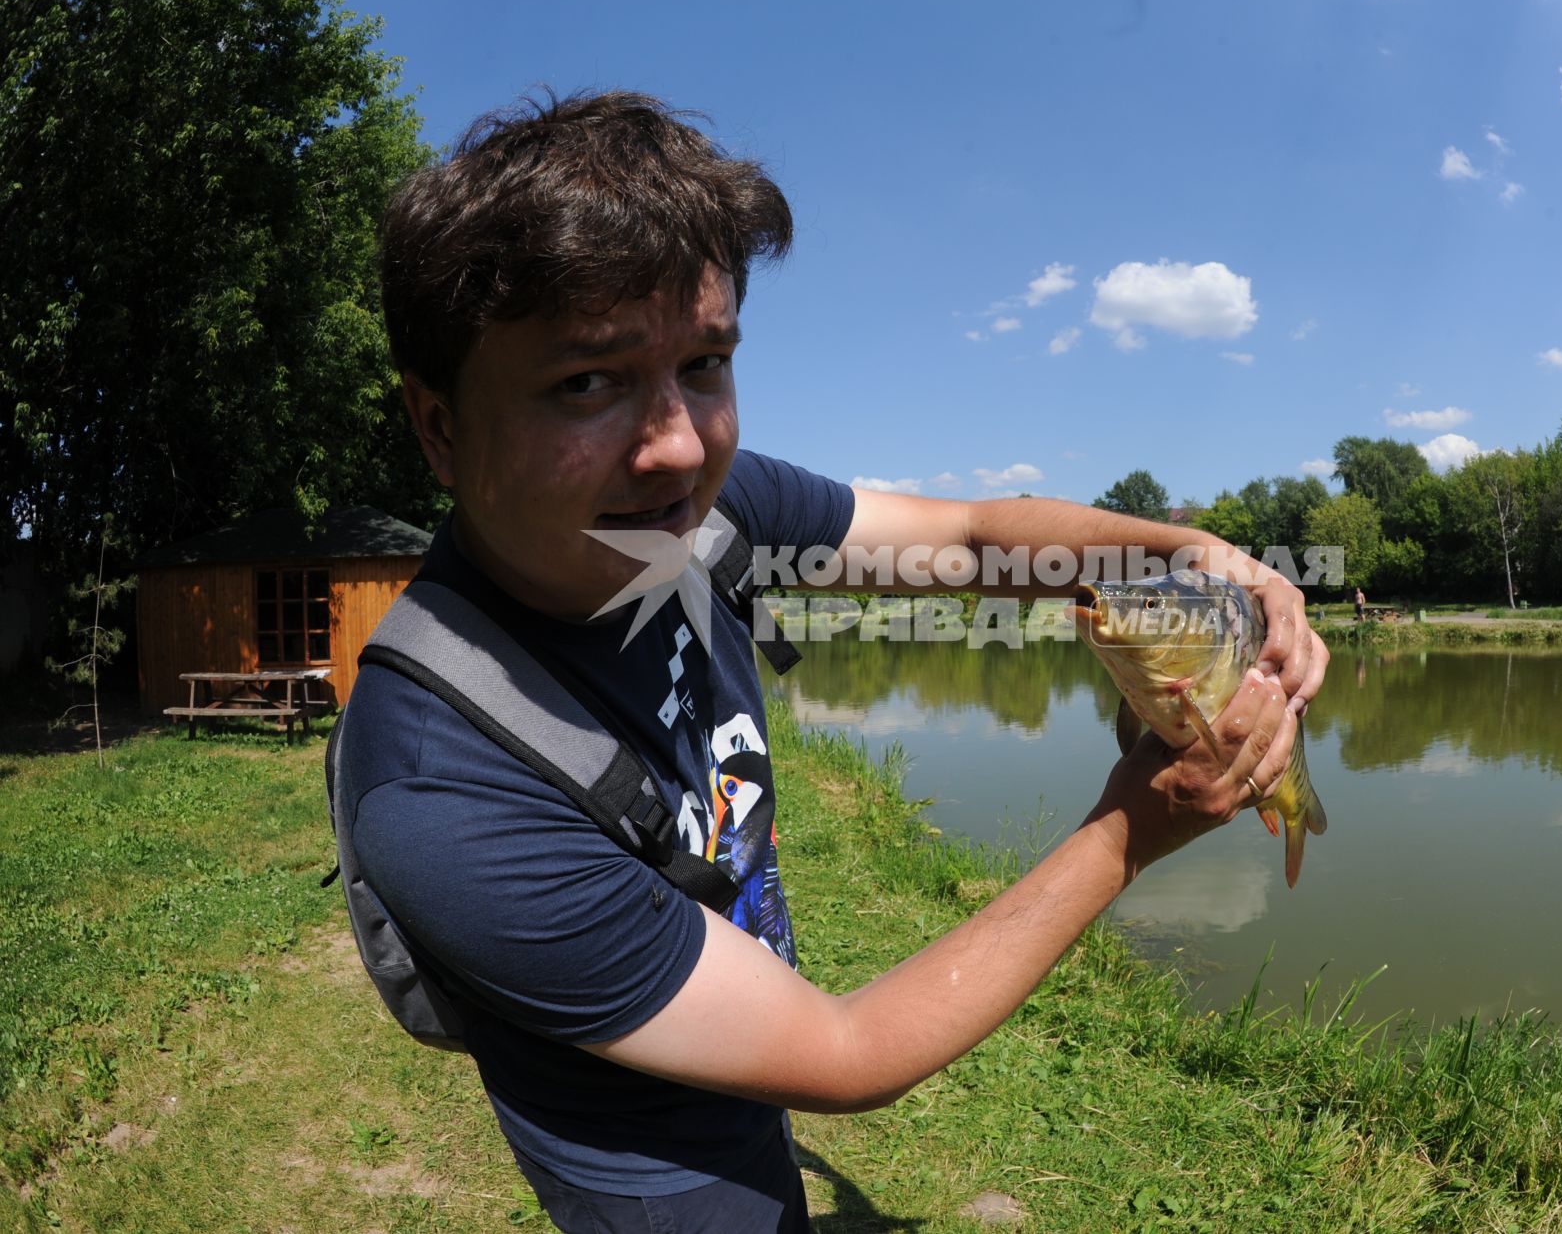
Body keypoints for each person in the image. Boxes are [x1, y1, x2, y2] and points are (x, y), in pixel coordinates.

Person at [333, 90, 1327, 1233]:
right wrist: (1129, 828)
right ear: (441, 427)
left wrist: (1191, 553)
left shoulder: (701, 516)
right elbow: (849, 1053)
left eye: (705, 363)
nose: (678, 446)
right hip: (656, 1180)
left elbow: (965, 541)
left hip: (740, 1064)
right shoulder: (441, 789)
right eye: (586, 382)